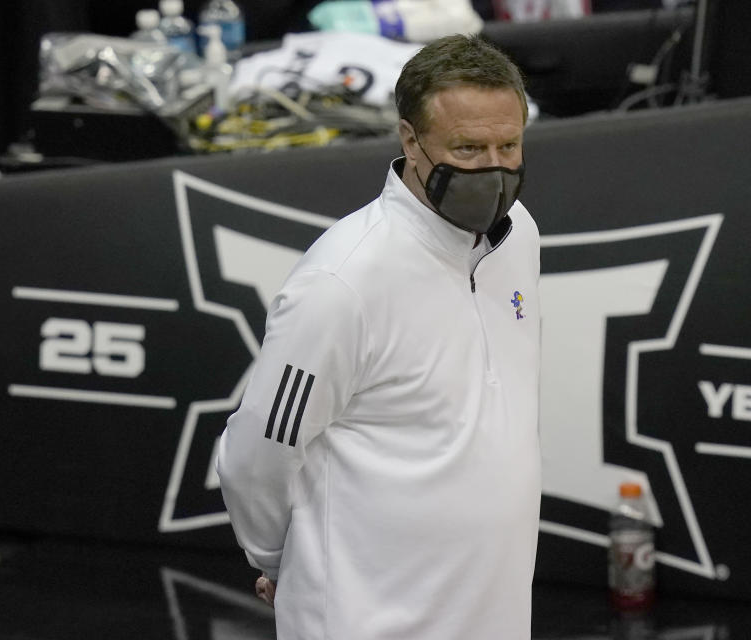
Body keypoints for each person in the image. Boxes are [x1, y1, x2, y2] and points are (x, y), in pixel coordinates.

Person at [216, 34, 542, 639]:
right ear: (410, 140)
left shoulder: (519, 234)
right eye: (467, 148)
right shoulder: (343, 282)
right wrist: (274, 560)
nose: (493, 169)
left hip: (493, 615)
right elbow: (256, 451)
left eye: (509, 145)